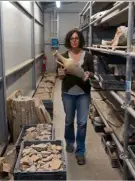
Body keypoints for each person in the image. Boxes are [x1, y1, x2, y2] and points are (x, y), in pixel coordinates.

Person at [56, 29, 94, 165]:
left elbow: (93, 73)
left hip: (83, 93)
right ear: (68, 40)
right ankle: (70, 142)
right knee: (69, 121)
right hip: (68, 93)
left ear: (80, 40)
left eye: (77, 38)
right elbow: (59, 76)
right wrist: (61, 74)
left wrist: (89, 74)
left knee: (82, 123)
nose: (74, 40)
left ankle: (81, 151)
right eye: (72, 38)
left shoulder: (88, 56)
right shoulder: (63, 56)